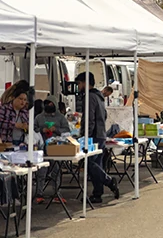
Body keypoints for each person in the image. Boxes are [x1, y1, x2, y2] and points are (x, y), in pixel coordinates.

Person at [75, 72, 119, 203]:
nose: (78, 87)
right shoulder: (99, 97)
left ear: (84, 83)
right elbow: (103, 115)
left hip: (93, 135)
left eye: (79, 84)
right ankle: (97, 193)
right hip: (100, 134)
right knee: (96, 164)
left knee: (89, 163)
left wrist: (85, 135)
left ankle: (109, 181)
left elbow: (89, 118)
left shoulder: (89, 97)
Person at [33, 99, 71, 202]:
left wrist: (56, 130)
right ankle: (39, 194)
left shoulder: (61, 118)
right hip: (42, 148)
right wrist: (41, 130)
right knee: (41, 171)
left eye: (50, 103)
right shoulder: (39, 117)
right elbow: (33, 129)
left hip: (56, 148)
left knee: (56, 171)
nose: (48, 106)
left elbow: (67, 131)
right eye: (46, 104)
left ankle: (56, 194)